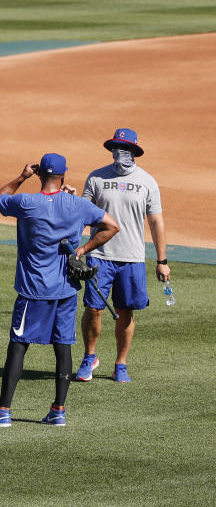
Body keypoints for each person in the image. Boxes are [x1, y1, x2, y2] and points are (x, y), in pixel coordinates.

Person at [0, 154, 119, 427]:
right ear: (64, 176)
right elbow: (112, 226)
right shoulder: (77, 204)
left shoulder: (26, 202)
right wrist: (84, 249)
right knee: (63, 348)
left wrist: (21, 177)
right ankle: (58, 411)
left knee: (18, 346)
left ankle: (3, 410)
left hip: (33, 290)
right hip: (65, 289)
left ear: (39, 174)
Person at [76, 128, 169, 384]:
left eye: (125, 149)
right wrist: (76, 247)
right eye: (116, 148)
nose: (120, 153)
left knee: (125, 311)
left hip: (132, 258)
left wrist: (162, 261)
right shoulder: (96, 178)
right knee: (93, 308)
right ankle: (89, 357)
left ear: (134, 152)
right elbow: (82, 215)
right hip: (99, 255)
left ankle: (121, 363)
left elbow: (156, 222)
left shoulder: (147, 182)